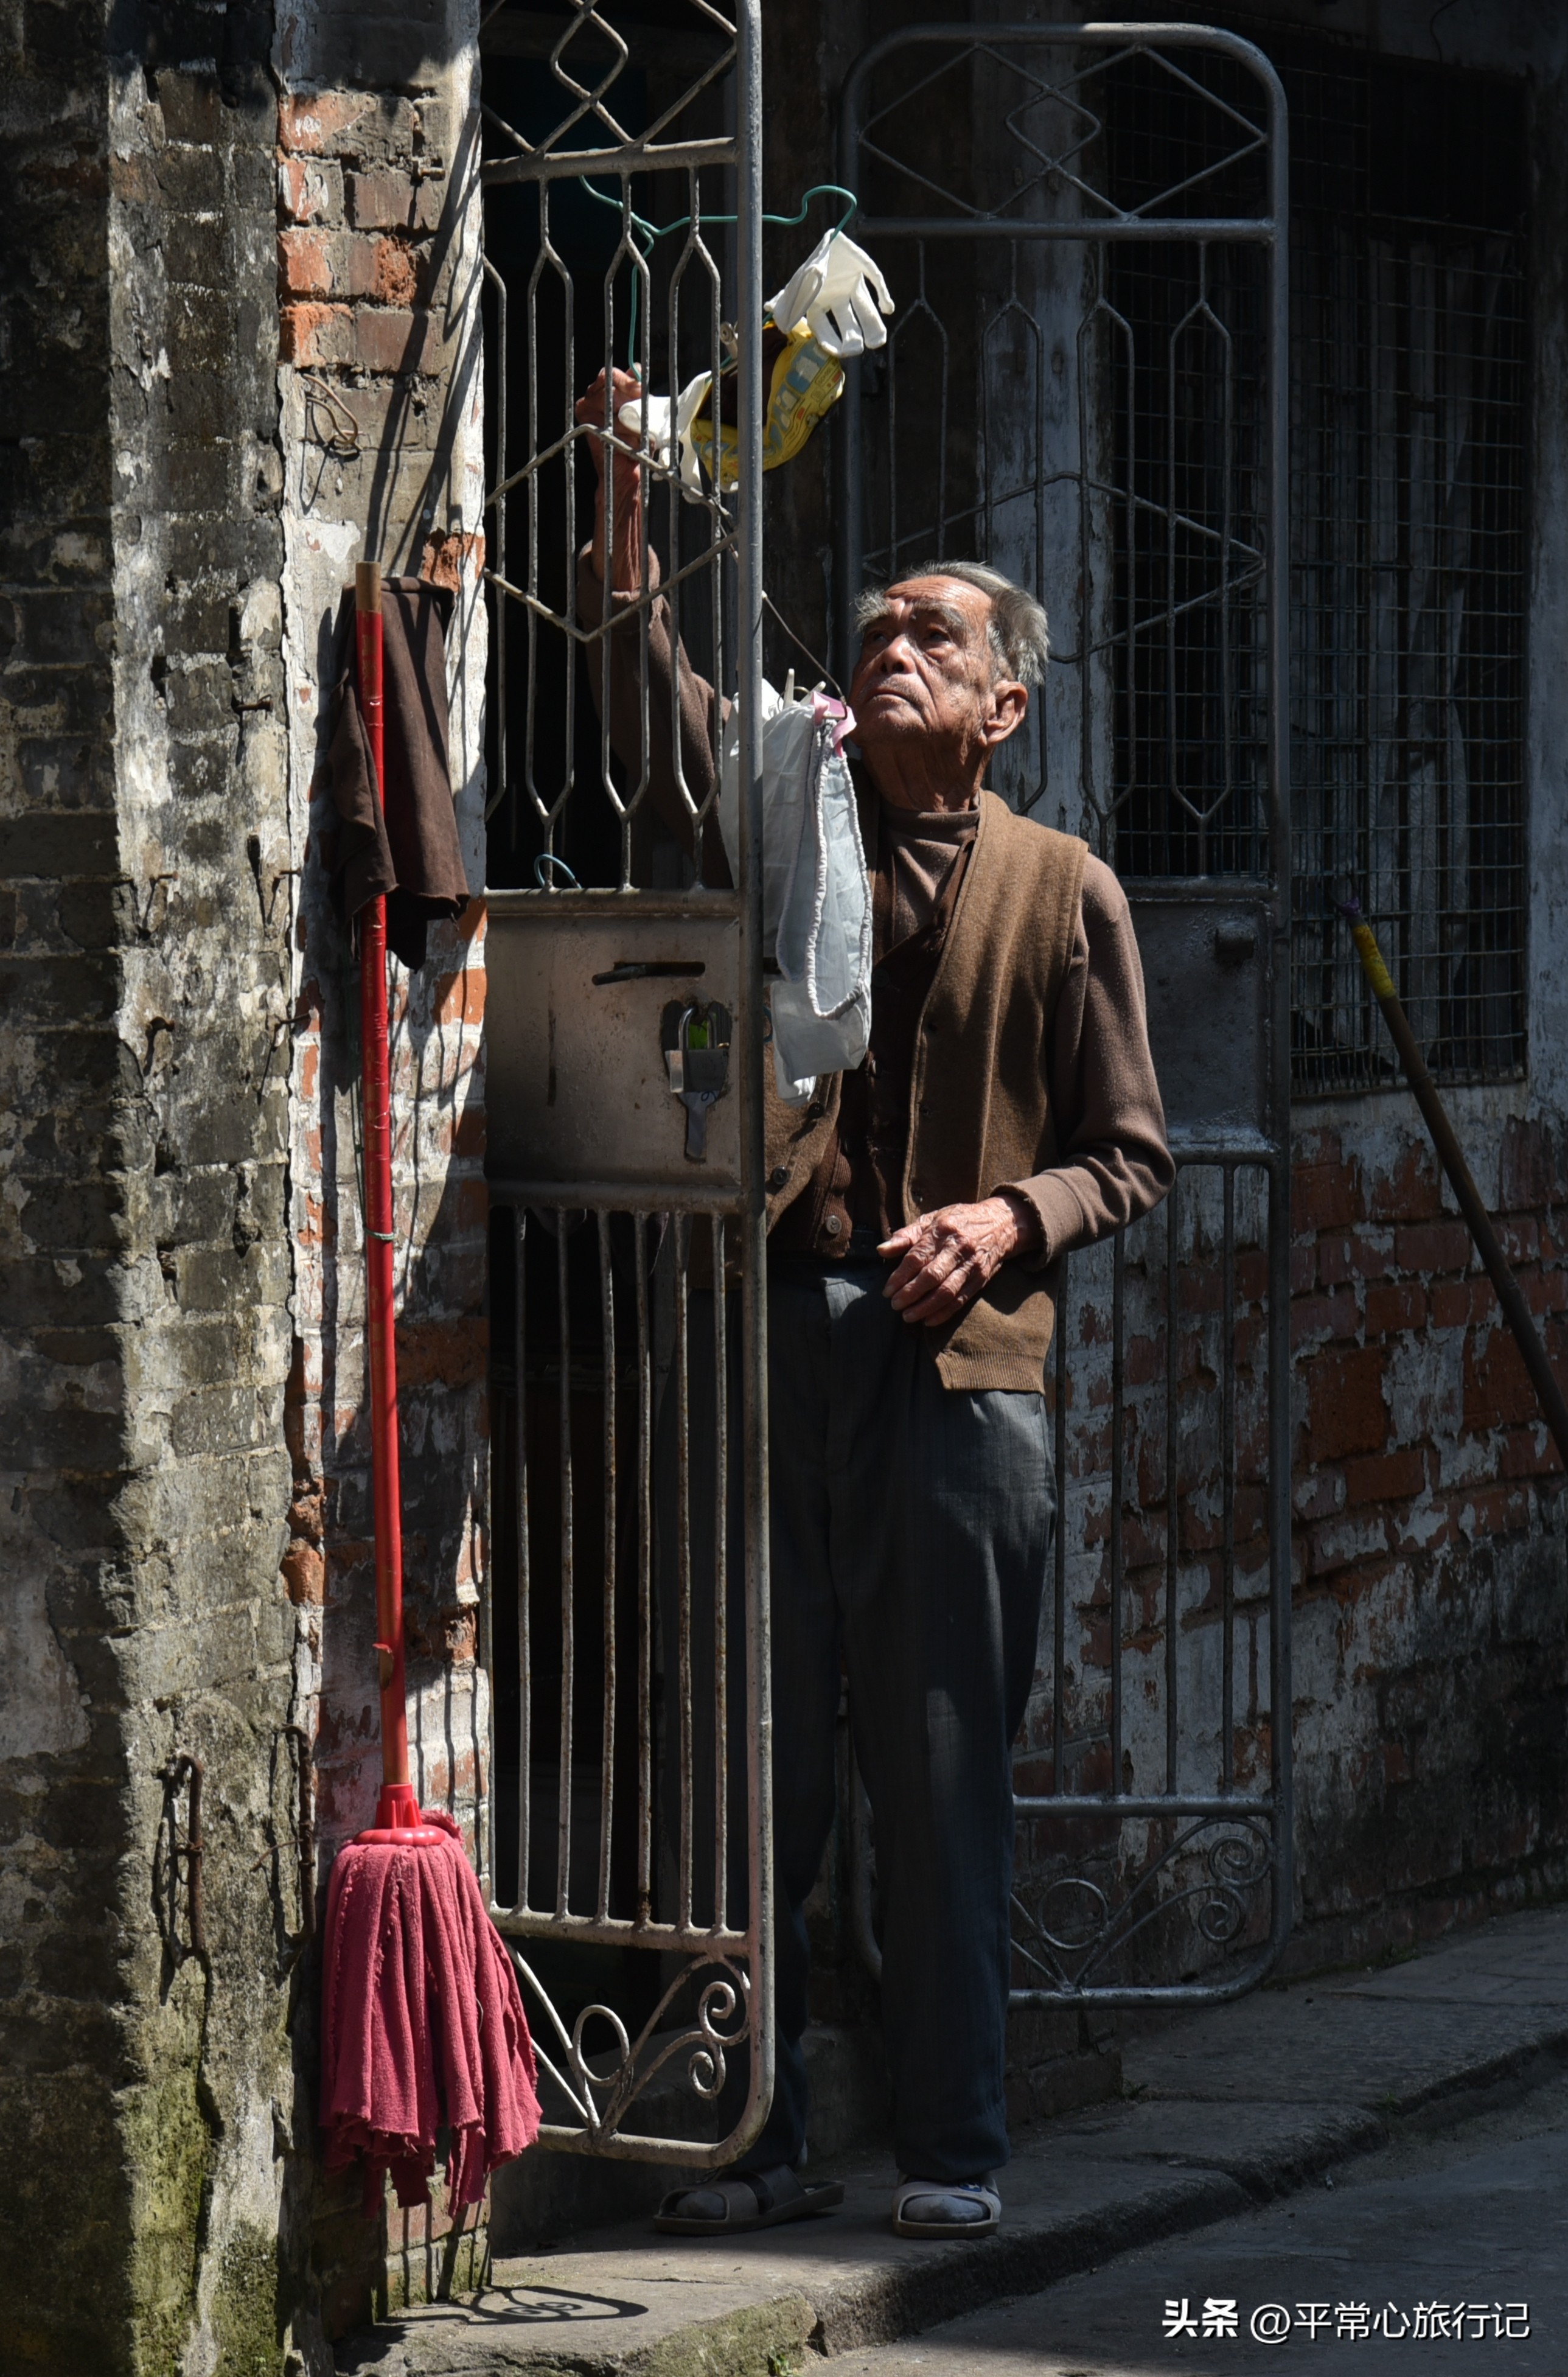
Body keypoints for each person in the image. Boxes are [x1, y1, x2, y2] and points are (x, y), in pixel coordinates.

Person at [576, 368, 1173, 2240]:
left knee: (937, 1774)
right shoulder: (784, 808)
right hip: (779, 1333)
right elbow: (650, 708)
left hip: (963, 1375)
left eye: (933, 632)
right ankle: (754, 2136)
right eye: (876, 628)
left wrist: (1001, 1221)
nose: (889, 647)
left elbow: (1131, 1151)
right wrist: (624, 507)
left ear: (1006, 700)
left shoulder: (1064, 890)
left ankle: (951, 2145)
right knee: (762, 1758)